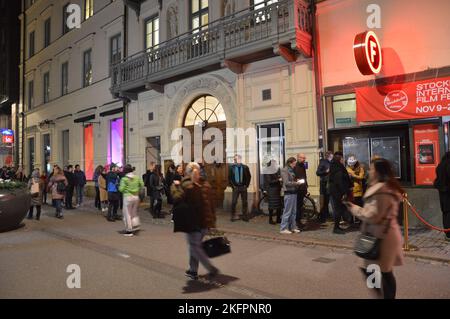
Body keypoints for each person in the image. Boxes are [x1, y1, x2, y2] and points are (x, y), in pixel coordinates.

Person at [345, 158, 404, 299]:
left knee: (376, 270)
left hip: (382, 236)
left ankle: (382, 296)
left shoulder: (381, 191)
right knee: (380, 270)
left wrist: (353, 208)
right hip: (385, 234)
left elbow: (373, 216)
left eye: (371, 169)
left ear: (377, 172)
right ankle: (383, 296)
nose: (369, 172)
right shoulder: (386, 187)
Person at [171, 162, 219, 280]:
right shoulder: (206, 184)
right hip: (205, 222)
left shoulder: (186, 185)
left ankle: (210, 268)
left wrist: (175, 186)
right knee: (193, 246)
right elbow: (212, 205)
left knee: (195, 247)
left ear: (187, 172)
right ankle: (193, 270)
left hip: (193, 223)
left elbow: (176, 198)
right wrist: (212, 221)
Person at [328, 151, 352, 235]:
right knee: (338, 210)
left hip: (336, 191)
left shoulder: (335, 166)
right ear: (339, 159)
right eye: (342, 158)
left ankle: (337, 226)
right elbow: (339, 182)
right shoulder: (338, 168)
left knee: (339, 209)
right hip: (337, 192)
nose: (343, 160)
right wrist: (344, 192)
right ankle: (336, 228)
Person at [119, 164, 144, 237]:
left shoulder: (124, 179)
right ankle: (136, 225)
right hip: (136, 197)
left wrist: (123, 187)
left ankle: (129, 230)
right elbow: (142, 184)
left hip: (127, 197)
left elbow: (121, 189)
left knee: (127, 214)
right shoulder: (137, 177)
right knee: (134, 212)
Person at [280, 157, 303, 234]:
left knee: (293, 211)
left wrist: (296, 181)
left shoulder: (291, 170)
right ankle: (283, 228)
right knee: (287, 211)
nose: (295, 165)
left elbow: (291, 180)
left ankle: (292, 227)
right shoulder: (284, 170)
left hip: (294, 192)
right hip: (288, 193)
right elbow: (286, 183)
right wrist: (297, 183)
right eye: (294, 163)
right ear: (290, 163)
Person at [229, 154, 251, 222]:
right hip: (236, 187)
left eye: (236, 159)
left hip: (243, 187)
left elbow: (249, 176)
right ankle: (233, 216)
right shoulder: (231, 167)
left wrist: (246, 185)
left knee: (244, 202)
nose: (235, 160)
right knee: (234, 202)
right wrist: (233, 186)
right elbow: (229, 178)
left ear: (240, 159)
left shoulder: (245, 167)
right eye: (234, 159)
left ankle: (245, 216)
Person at [434, 151, 450, 241]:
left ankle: (447, 233)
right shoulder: (448, 165)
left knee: (445, 212)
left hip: (442, 192)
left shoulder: (440, 165)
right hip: (448, 192)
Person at [347, 156, 365, 227]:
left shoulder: (360, 168)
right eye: (350, 164)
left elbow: (361, 177)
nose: (351, 166)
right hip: (351, 190)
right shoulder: (347, 168)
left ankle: (360, 220)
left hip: (358, 191)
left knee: (359, 206)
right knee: (351, 206)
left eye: (352, 164)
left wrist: (353, 175)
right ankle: (351, 221)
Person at [316, 151, 333, 223]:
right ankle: (323, 217)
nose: (332, 156)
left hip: (330, 184)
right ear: (328, 156)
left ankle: (327, 215)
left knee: (328, 200)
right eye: (331, 155)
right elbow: (318, 172)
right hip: (324, 184)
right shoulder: (323, 162)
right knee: (325, 201)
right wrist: (326, 171)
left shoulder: (331, 162)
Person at [263, 160, 282, 225]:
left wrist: (279, 178)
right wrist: (278, 179)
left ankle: (278, 219)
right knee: (272, 206)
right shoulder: (267, 171)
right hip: (271, 190)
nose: (276, 165)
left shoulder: (276, 170)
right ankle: (270, 219)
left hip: (277, 190)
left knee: (279, 205)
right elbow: (269, 181)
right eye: (275, 164)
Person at [294, 153, 308, 229]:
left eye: (304, 158)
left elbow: (305, 176)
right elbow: (293, 178)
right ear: (298, 158)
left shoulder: (302, 166)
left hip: (302, 188)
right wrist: (297, 181)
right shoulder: (295, 166)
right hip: (297, 189)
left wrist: (306, 185)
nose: (304, 159)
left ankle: (298, 221)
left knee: (300, 206)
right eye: (302, 158)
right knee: (297, 207)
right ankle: (297, 222)